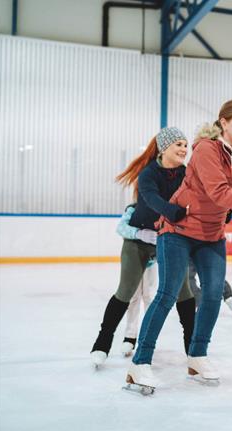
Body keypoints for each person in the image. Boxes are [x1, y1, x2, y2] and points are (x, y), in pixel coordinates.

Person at [126, 99, 232, 392]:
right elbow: (220, 193)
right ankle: (140, 362)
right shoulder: (205, 150)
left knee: (212, 294)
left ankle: (197, 355)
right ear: (224, 123)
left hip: (212, 236)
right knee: (167, 293)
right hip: (178, 232)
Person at [90, 127, 196, 367]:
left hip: (169, 239)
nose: (183, 149)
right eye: (178, 144)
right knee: (126, 290)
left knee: (184, 292)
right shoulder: (149, 174)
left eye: (185, 145)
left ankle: (193, 349)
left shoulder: (187, 174)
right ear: (164, 147)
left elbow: (201, 196)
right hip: (138, 240)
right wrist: (173, 214)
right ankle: (102, 342)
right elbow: (152, 199)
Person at [114, 205, 159, 356]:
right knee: (133, 297)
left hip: (152, 262)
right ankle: (130, 337)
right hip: (134, 261)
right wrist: (138, 234)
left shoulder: (160, 209)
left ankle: (147, 337)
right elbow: (121, 228)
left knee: (149, 297)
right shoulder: (133, 209)